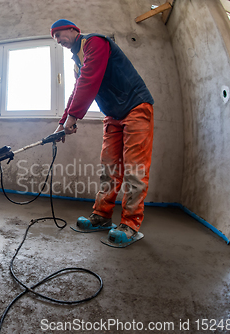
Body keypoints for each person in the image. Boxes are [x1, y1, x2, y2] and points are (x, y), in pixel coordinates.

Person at [50, 19, 154, 247]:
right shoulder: (77, 61)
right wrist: (62, 124)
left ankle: (130, 224)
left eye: (59, 34)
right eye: (55, 38)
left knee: (135, 169)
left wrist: (73, 117)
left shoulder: (95, 43)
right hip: (113, 114)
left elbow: (90, 80)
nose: (58, 40)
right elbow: (77, 90)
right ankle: (102, 216)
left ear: (73, 30)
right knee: (109, 168)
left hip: (135, 106)